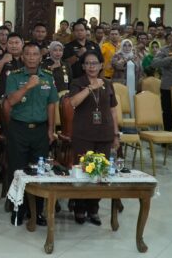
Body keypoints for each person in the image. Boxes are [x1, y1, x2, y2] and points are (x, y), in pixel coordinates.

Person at [4, 43, 58, 226]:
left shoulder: (48, 77)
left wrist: (51, 129)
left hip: (41, 130)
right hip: (19, 129)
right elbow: (11, 101)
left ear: (40, 58)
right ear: (23, 57)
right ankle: (18, 209)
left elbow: (51, 104)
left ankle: (37, 211)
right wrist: (27, 86)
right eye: (28, 54)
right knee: (18, 170)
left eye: (35, 54)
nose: (32, 57)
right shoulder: (14, 76)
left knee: (39, 171)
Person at [67, 51, 119, 225]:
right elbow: (73, 103)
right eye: (88, 63)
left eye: (95, 63)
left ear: (101, 65)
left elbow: (113, 110)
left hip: (104, 133)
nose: (91, 66)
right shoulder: (77, 83)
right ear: (83, 66)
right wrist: (90, 88)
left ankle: (93, 208)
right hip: (83, 134)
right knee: (83, 171)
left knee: (99, 172)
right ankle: (79, 207)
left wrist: (116, 134)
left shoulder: (108, 83)